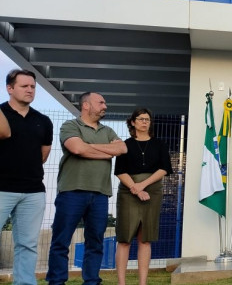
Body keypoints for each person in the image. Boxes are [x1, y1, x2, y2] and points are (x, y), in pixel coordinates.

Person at [46, 92, 127, 285]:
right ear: (86, 105)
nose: (105, 106)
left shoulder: (107, 130)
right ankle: (56, 282)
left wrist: (89, 147)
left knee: (95, 243)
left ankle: (91, 281)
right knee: (61, 241)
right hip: (72, 192)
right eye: (100, 102)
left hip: (100, 194)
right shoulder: (70, 126)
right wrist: (106, 151)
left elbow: (122, 149)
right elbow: (77, 149)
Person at [0, 69, 53, 285]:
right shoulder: (1, 113)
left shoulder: (43, 121)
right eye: (24, 86)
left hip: (33, 192)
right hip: (1, 188)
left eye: (32, 86)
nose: (30, 90)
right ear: (10, 89)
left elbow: (43, 155)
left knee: (27, 244)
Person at [114, 108, 173, 285]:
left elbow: (164, 169)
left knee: (145, 238)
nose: (144, 122)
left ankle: (143, 282)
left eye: (147, 119)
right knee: (124, 238)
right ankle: (121, 282)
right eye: (140, 119)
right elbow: (119, 171)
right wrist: (136, 188)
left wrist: (142, 185)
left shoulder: (160, 144)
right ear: (133, 122)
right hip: (128, 192)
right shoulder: (125, 145)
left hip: (152, 191)